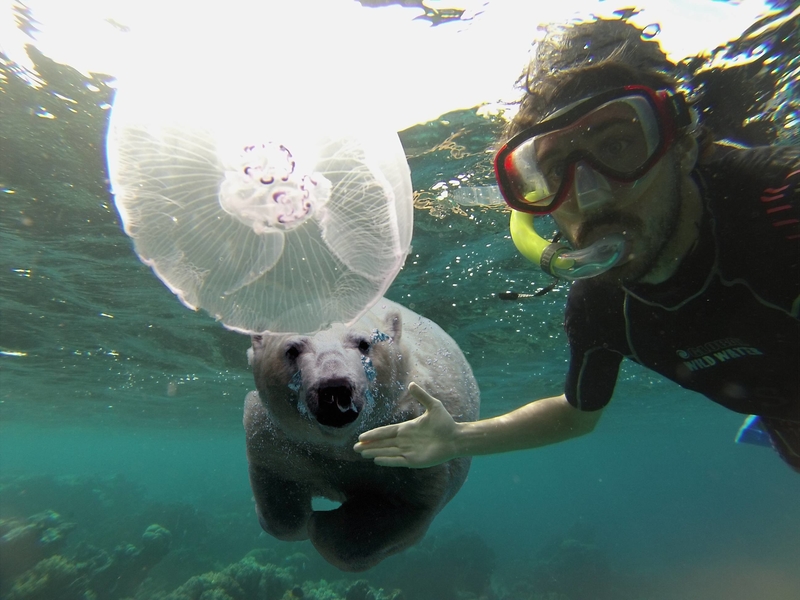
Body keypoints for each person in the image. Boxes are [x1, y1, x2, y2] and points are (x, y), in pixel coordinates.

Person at [353, 18, 800, 472]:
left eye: (619, 145)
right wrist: (456, 440)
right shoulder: (599, 305)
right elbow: (576, 414)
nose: (590, 195)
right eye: (554, 170)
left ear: (681, 145)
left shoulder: (784, 205)